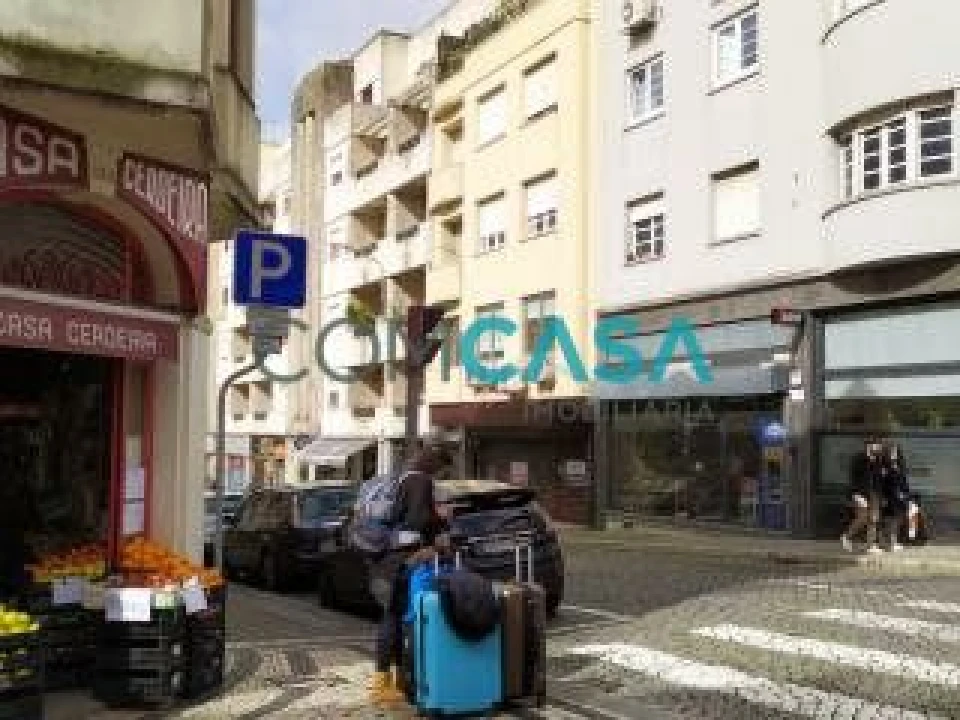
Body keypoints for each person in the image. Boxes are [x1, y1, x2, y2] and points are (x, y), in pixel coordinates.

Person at [368, 441, 452, 707]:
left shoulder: (403, 477)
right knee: (397, 619)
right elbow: (417, 521)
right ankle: (385, 683)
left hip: (386, 559)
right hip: (404, 560)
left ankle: (391, 680)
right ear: (434, 464)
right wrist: (441, 518)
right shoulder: (420, 482)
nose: (440, 476)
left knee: (392, 617)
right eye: (441, 470)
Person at [841, 437, 884, 553]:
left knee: (873, 519)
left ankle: (871, 545)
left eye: (879, 445)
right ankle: (846, 537)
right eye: (876, 445)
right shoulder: (859, 459)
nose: (879, 447)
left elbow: (879, 478)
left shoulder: (878, 461)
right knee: (862, 517)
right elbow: (853, 478)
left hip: (874, 493)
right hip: (860, 492)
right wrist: (856, 494)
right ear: (869, 445)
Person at [880, 440, 910, 551]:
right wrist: (883, 497)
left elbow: (903, 480)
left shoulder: (900, 464)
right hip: (889, 496)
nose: (893, 453)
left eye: (895, 451)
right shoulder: (884, 465)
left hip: (900, 496)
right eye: (891, 451)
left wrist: (905, 493)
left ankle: (893, 541)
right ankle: (888, 542)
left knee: (897, 519)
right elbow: (883, 482)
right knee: (889, 520)